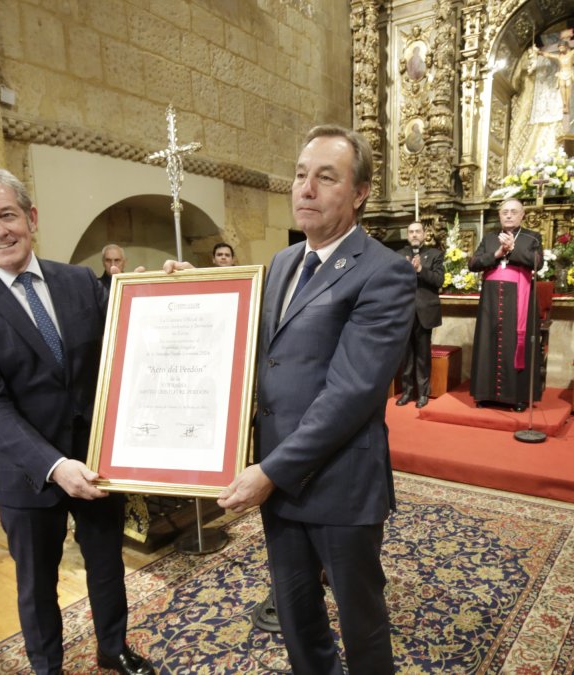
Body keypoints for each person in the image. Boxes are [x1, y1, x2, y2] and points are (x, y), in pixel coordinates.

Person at [170, 125, 413, 673]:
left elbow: (351, 393)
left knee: (360, 618)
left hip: (339, 481)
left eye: (326, 178)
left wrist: (269, 471)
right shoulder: (283, 263)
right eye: (301, 175)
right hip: (279, 480)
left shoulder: (384, 272)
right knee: (297, 610)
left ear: (359, 193)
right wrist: (196, 294)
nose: (306, 188)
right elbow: (258, 347)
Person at [0, 170, 153, 675]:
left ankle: (112, 648)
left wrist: (176, 290)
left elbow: (132, 343)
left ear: (30, 218)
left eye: (7, 214)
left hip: (99, 459)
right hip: (28, 472)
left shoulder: (78, 281)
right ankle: (47, 665)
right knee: (37, 581)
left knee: (106, 563)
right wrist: (54, 465)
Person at [468, 198, 543, 412]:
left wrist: (514, 249)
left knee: (514, 344)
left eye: (513, 212)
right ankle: (485, 394)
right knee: (487, 343)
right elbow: (473, 263)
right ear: (500, 216)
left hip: (518, 298)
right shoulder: (490, 238)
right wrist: (497, 254)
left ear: (522, 215)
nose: (509, 215)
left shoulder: (531, 237)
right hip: (491, 300)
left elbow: (538, 262)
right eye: (505, 212)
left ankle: (517, 397)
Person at [396, 221, 445, 408]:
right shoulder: (399, 255)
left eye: (418, 231)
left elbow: (438, 280)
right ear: (407, 235)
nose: (414, 235)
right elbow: (392, 280)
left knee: (423, 356)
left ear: (425, 234)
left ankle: (423, 393)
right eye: (411, 232)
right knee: (406, 356)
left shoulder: (435, 255)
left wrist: (420, 270)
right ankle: (408, 392)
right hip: (404, 311)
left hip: (425, 311)